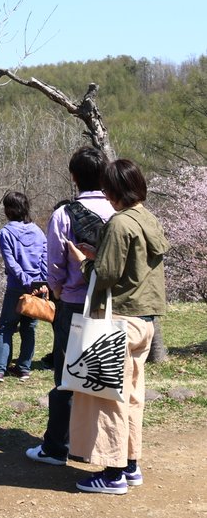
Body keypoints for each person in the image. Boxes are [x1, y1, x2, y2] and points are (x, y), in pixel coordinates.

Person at [66, 158, 169, 495]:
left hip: (120, 320)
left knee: (109, 398)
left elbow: (107, 275)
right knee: (133, 396)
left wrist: (84, 263)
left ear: (114, 190)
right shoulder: (148, 219)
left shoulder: (120, 223)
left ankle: (113, 474)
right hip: (145, 319)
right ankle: (131, 465)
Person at [26, 146, 115, 466]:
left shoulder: (64, 215)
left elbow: (54, 267)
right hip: (110, 305)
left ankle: (56, 447)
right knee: (105, 374)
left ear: (73, 177)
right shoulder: (117, 212)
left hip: (74, 304)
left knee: (67, 376)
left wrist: (61, 293)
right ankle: (99, 444)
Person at [0, 191, 47, 383]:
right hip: (36, 287)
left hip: (16, 287)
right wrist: (41, 282)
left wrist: (25, 280)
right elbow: (46, 257)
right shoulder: (37, 231)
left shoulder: (6, 232)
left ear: (9, 210)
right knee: (29, 328)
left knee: (6, 327)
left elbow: (11, 263)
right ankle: (24, 369)